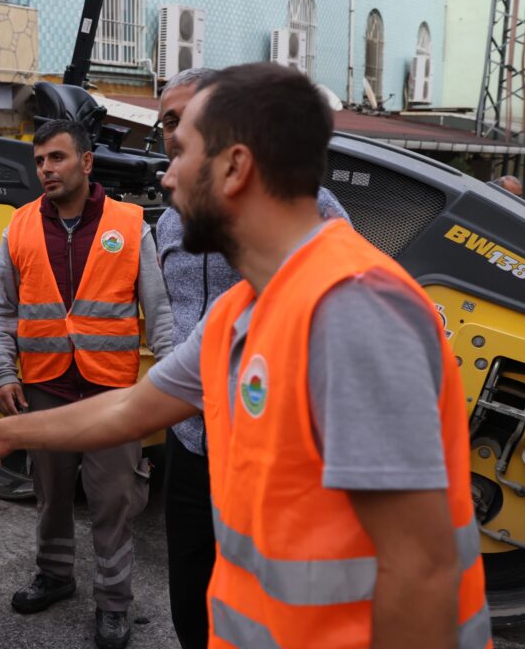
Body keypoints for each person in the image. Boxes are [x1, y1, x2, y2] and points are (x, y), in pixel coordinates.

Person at [0, 63, 491, 649]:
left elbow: (422, 574)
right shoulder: (238, 314)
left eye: (180, 154)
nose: (167, 178)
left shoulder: (354, 311)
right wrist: (5, 434)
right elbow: (128, 410)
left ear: (235, 168)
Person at [154, 67, 351, 649]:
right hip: (192, 440)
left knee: (281, 604)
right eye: (167, 124)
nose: (172, 136)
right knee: (195, 602)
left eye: (185, 123)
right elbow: (177, 324)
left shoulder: (317, 219)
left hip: (273, 445)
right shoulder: (172, 222)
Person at [0, 119, 173, 649]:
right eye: (40, 160)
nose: (45, 169)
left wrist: (176, 388)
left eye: (57, 158)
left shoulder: (131, 225)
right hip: (44, 390)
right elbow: (0, 311)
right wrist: (3, 372)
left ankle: (114, 604)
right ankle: (55, 576)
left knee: (114, 498)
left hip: (112, 396)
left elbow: (159, 316)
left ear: (86, 163)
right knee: (50, 493)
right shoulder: (18, 227)